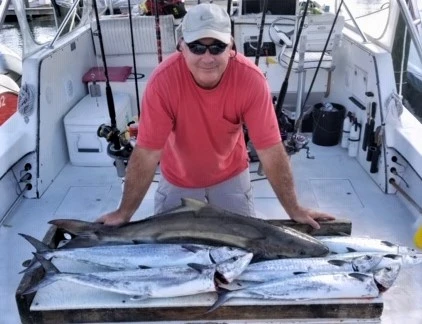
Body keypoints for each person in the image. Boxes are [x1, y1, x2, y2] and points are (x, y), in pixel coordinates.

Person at [97, 3, 335, 228]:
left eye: (217, 47)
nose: (207, 58)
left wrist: (294, 209)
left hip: (231, 177)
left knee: (243, 254)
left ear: (231, 45)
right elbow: (147, 153)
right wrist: (124, 213)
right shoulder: (162, 83)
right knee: (171, 256)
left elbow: (270, 150)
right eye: (197, 47)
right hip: (177, 179)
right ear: (181, 46)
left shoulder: (251, 81)